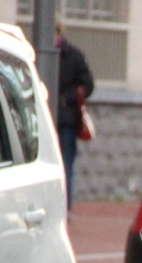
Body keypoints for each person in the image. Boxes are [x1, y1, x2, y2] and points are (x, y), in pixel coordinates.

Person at [55, 17, 94, 209]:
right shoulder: (39, 53)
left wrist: (67, 98)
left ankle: (65, 206)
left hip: (67, 120)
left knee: (66, 164)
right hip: (47, 118)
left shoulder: (74, 56)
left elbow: (88, 84)